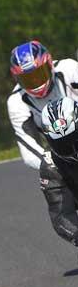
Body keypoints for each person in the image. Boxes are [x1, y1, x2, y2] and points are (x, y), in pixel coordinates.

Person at [7, 41, 78, 244]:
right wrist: (52, 163)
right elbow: (28, 148)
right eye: (28, 79)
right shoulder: (16, 102)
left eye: (39, 74)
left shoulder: (69, 69)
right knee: (50, 173)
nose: (36, 83)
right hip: (62, 154)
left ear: (50, 64)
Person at [41, 96, 78, 245]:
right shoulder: (51, 166)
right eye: (63, 144)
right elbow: (62, 214)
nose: (73, 149)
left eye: (76, 139)